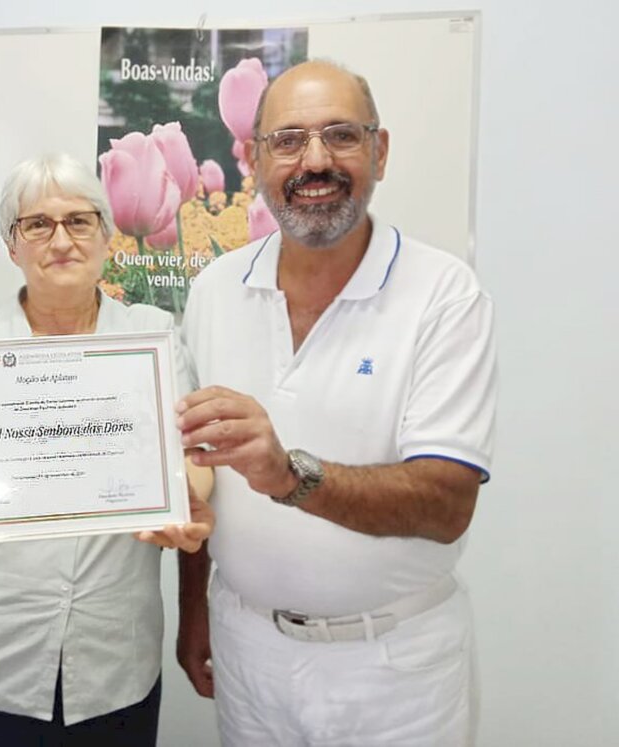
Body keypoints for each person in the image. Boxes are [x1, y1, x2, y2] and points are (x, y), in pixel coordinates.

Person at [175, 60, 497, 746]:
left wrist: (288, 475)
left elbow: (446, 504)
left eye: (341, 136)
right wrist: (192, 607)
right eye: (288, 140)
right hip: (247, 648)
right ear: (252, 157)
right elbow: (197, 472)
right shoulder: (213, 290)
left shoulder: (445, 294)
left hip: (394, 669)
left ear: (380, 151)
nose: (314, 160)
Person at [0, 153, 214, 747]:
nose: (61, 240)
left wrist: (185, 499)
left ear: (106, 236)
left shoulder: (152, 338)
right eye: (37, 224)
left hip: (111, 663)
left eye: (79, 221)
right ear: (11, 245)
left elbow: (192, 458)